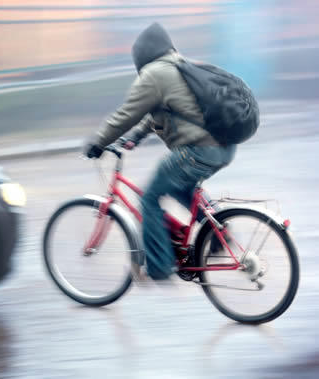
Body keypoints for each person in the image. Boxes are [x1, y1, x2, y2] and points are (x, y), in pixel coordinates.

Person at [83, 23, 236, 280]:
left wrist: (98, 142)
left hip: (198, 151)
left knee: (149, 198)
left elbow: (127, 114)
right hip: (224, 147)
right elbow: (162, 112)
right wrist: (136, 137)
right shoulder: (180, 66)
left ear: (141, 54)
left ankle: (159, 266)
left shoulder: (154, 74)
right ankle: (218, 229)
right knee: (181, 186)